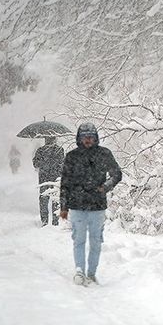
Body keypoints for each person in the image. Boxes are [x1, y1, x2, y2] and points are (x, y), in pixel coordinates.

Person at [59, 122, 122, 285]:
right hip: (77, 205)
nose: (87, 140)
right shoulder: (72, 157)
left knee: (96, 242)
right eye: (84, 137)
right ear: (79, 138)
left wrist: (106, 187)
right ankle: (79, 270)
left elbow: (117, 174)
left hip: (97, 206)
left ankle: (92, 273)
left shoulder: (104, 154)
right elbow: (65, 182)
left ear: (96, 138)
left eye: (90, 137)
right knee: (78, 240)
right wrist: (64, 206)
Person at [33, 137, 65, 226]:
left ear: (45, 140)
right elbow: (63, 163)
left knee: (43, 199)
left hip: (44, 178)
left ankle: (44, 221)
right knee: (55, 199)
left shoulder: (40, 150)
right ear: (55, 140)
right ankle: (55, 221)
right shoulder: (60, 149)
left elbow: (35, 164)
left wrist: (42, 162)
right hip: (56, 178)